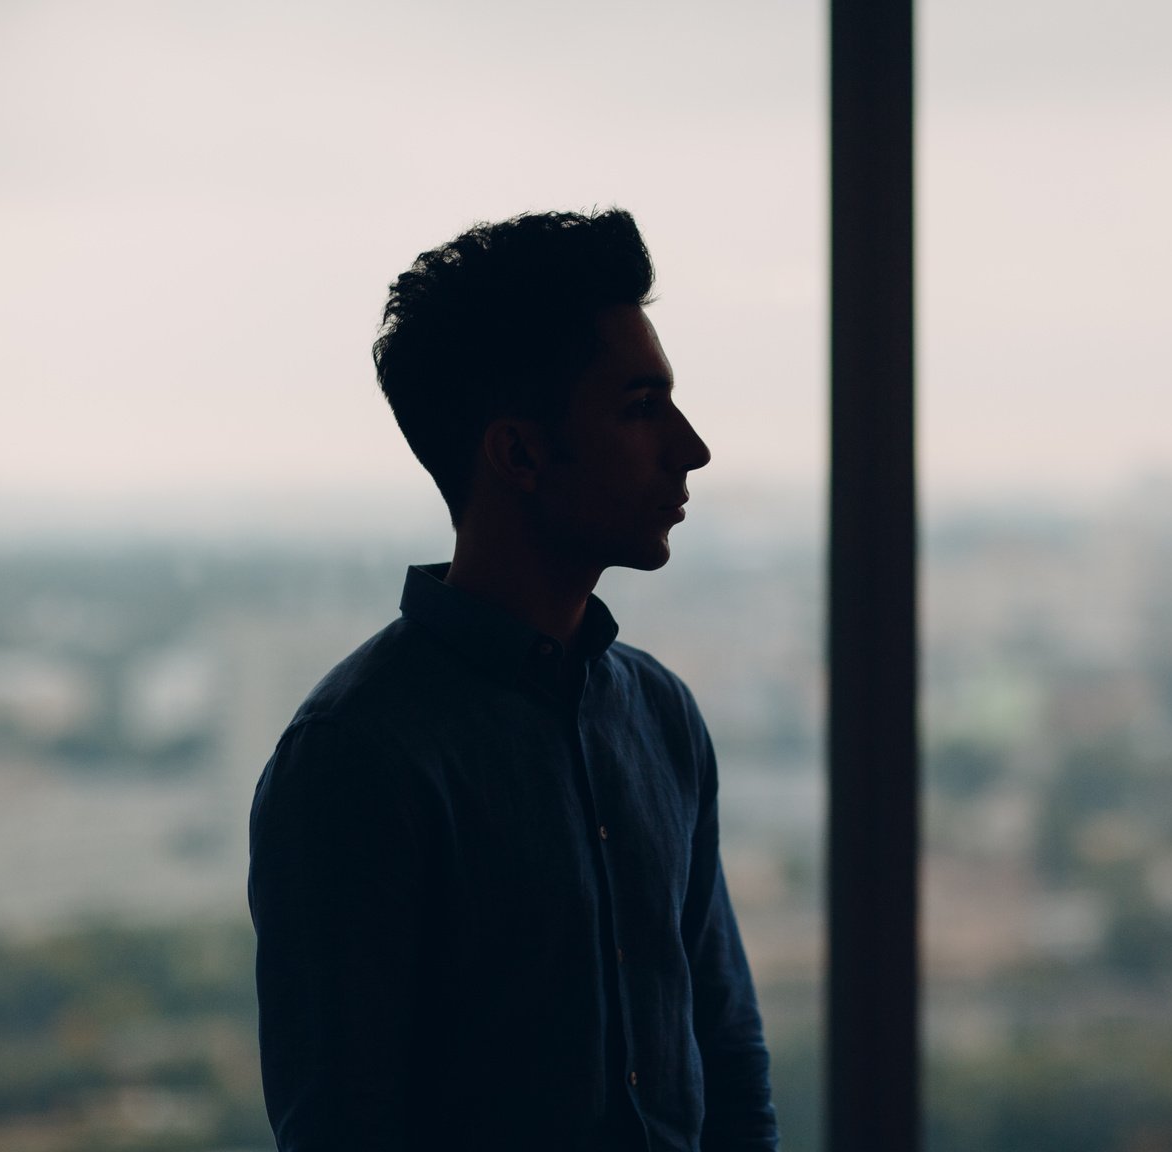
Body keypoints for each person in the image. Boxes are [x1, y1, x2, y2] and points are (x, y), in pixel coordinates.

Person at [247, 209, 778, 1151]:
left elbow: (725, 1055)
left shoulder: (660, 715)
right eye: (640, 407)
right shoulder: (356, 757)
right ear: (520, 453)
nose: (691, 448)